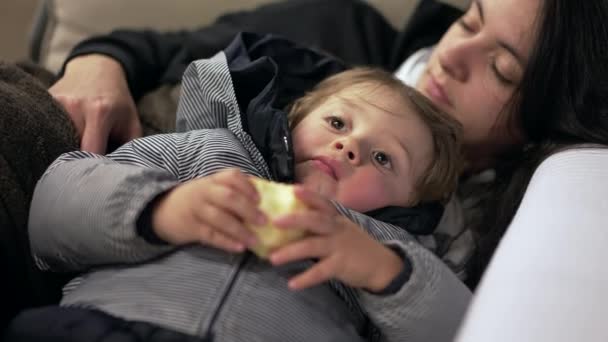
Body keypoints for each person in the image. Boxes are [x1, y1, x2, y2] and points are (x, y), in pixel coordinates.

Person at [3, 0, 608, 333]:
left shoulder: (428, 241)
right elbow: (63, 196)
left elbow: (456, 324)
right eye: (469, 19)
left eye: (503, 69)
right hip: (115, 148)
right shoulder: (228, 136)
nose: (454, 56)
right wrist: (99, 61)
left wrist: (383, 269)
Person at [6, 59, 464, 342]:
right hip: (111, 322)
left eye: (383, 158)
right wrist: (162, 210)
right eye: (339, 123)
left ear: (409, 204)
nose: (350, 148)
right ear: (297, 117)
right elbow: (52, 207)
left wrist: (384, 271)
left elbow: (468, 329)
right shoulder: (209, 149)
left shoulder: (387, 254)